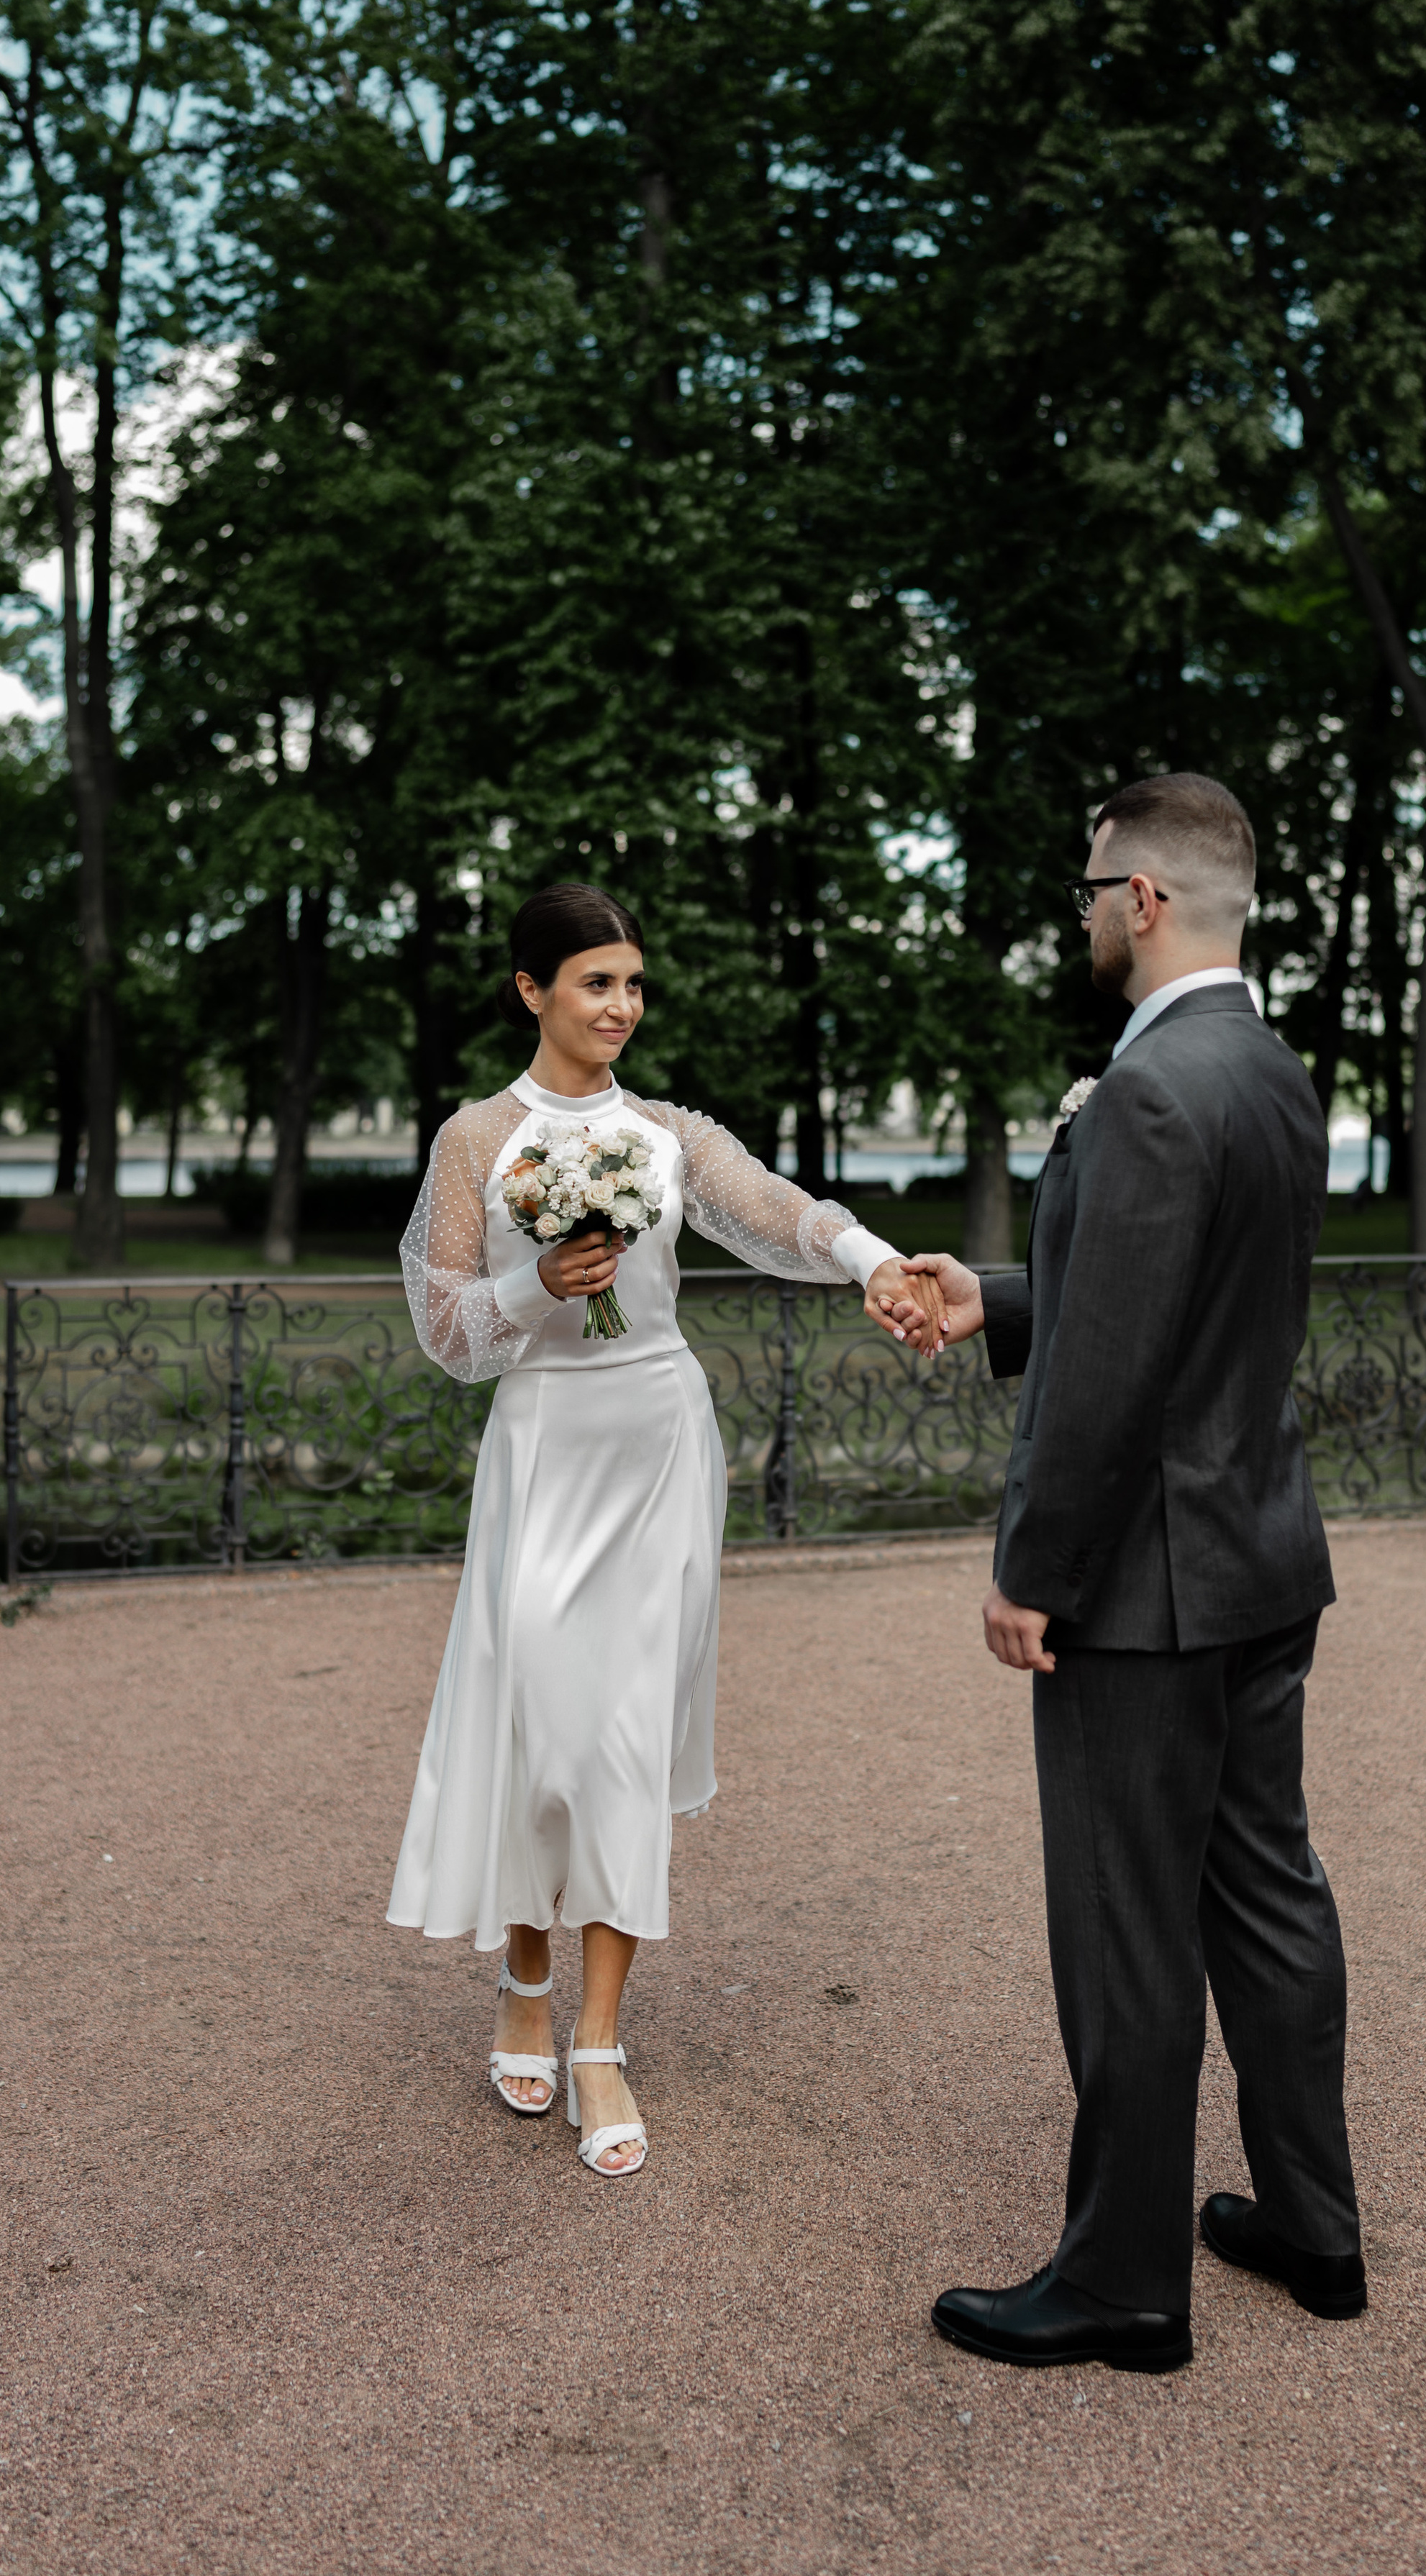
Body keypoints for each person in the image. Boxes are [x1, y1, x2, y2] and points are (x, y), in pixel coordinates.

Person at [907, 773, 1363, 2369]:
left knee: (1124, 1931)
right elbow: (1176, 1296)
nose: (1086, 913)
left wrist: (1033, 1568)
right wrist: (998, 1295)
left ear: (1145, 896)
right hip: (1257, 1558)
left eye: (1091, 887)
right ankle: (1312, 2225)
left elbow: (1110, 1378)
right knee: (1267, 1899)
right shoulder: (1269, 1071)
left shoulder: (1154, 1086)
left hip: (1145, 1595)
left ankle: (1122, 2285)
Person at [387, 882, 944, 2177]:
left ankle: (596, 2040)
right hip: (541, 1446)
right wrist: (540, 1284)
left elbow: (775, 1209)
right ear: (531, 991)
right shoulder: (477, 1137)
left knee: (621, 1736)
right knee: (539, 1735)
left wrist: (874, 1262)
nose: (622, 1007)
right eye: (596, 982)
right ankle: (522, 1981)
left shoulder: (666, 1132)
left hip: (653, 1442)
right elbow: (449, 1331)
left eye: (634, 983)